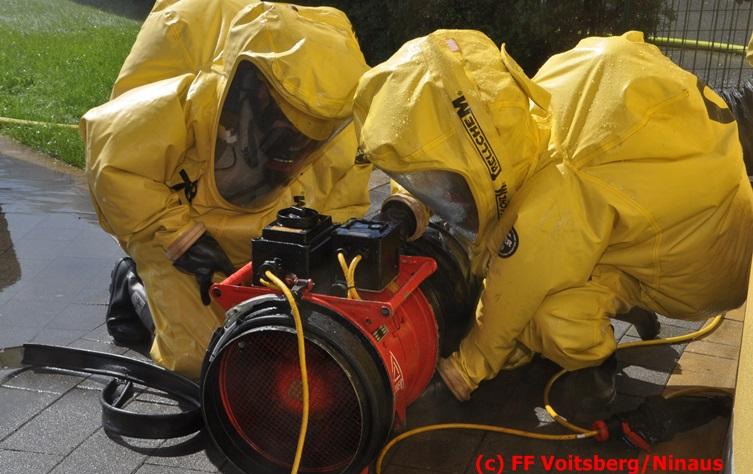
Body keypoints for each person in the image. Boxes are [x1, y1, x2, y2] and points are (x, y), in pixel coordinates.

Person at [353, 30, 753, 405]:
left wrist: (463, 371)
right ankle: (616, 291)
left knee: (541, 315)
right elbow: (450, 138)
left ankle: (595, 375)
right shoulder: (544, 94)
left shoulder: (562, 185)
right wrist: (412, 199)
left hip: (704, 271)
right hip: (700, 215)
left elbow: (509, 296)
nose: (444, 196)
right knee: (560, 247)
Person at [81, 0, 372, 378]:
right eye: (283, 126)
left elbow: (344, 197)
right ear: (256, 92)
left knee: (271, 342)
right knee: (205, 360)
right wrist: (181, 238)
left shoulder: (334, 111)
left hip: (259, 224)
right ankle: (133, 284)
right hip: (177, 220)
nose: (291, 144)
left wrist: (318, 252)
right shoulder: (192, 96)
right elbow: (113, 162)